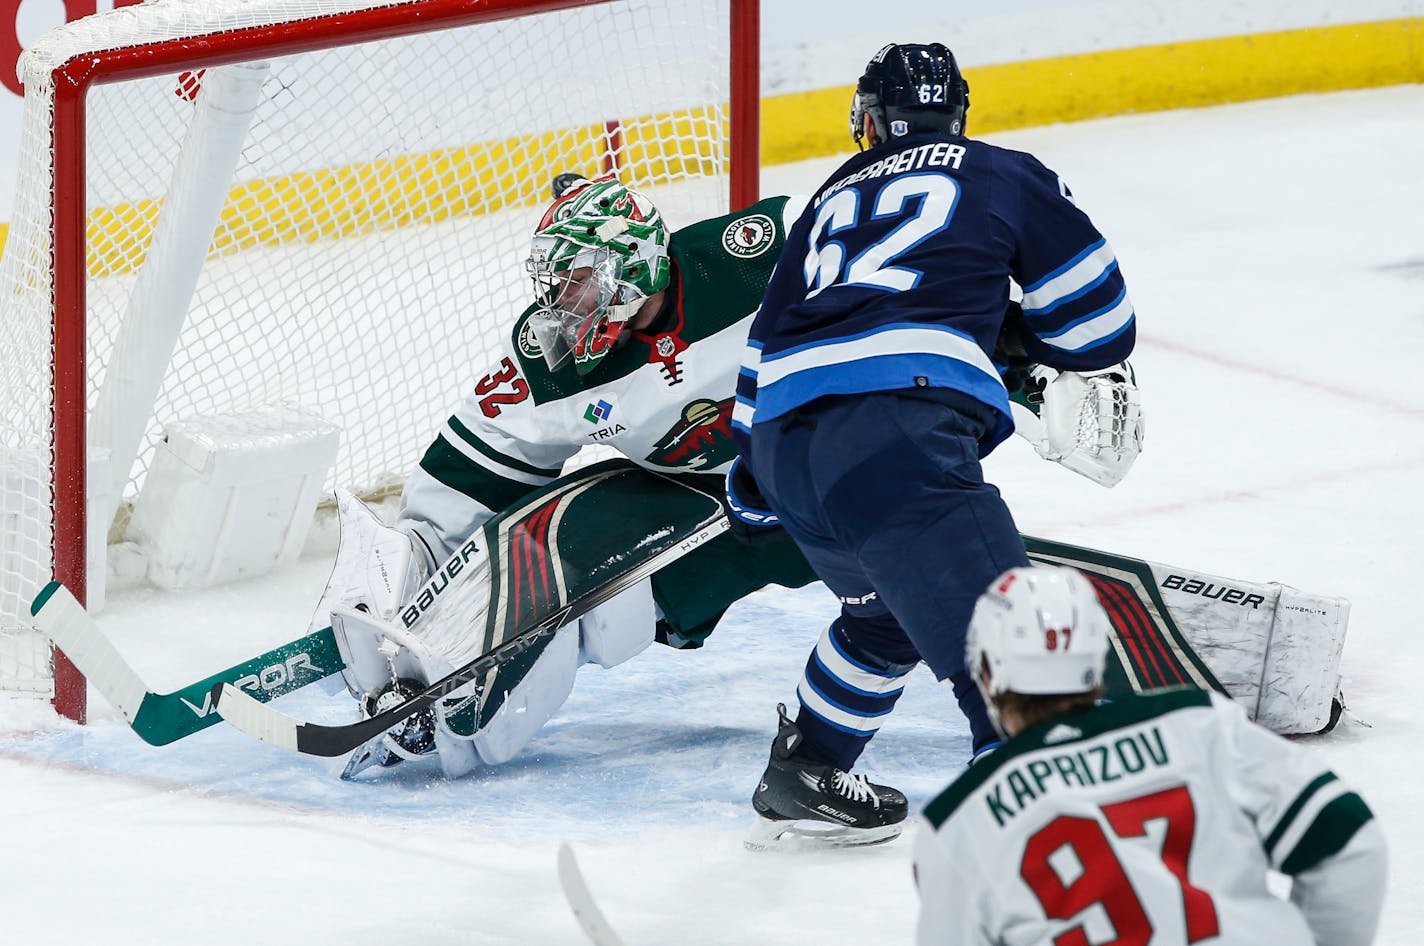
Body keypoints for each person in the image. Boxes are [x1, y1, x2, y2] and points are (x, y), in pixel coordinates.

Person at [732, 41, 1144, 848]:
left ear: (870, 120)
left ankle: (806, 769)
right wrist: (1011, 332)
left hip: (783, 445)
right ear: (957, 112)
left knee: (887, 616)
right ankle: (1035, 850)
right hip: (895, 431)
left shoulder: (826, 194)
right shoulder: (1001, 171)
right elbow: (1099, 327)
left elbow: (762, 343)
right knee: (1010, 645)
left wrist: (755, 485)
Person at [313, 174, 821, 777]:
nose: (560, 302)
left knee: (929, 595)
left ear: (630, 268)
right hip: (702, 494)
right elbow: (476, 461)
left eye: (576, 282)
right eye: (554, 283)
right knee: (571, 563)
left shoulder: (756, 254)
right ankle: (449, 711)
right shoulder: (552, 353)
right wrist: (416, 566)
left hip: (835, 468)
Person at [915, 564, 1387, 946]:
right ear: (1099, 655)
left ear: (987, 672)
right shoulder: (1199, 723)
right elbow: (1350, 840)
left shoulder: (957, 824)